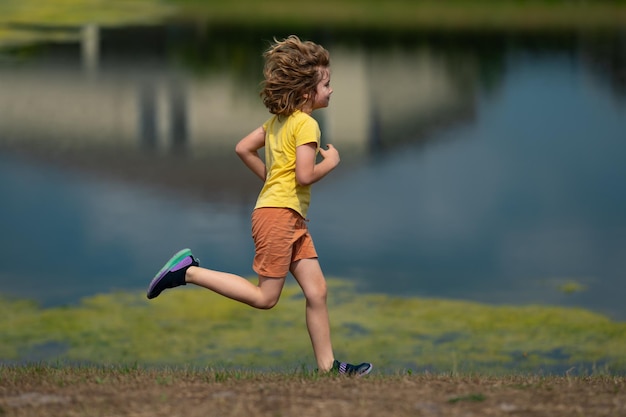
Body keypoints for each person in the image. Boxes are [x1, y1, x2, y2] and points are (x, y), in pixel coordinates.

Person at [146, 35, 372, 376]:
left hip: (286, 215)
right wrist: (333, 163)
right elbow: (306, 175)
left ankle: (329, 368)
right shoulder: (308, 124)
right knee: (266, 298)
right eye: (327, 83)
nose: (331, 90)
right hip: (279, 217)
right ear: (307, 90)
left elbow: (242, 148)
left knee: (317, 290)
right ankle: (187, 271)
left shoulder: (279, 122)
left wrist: (270, 181)